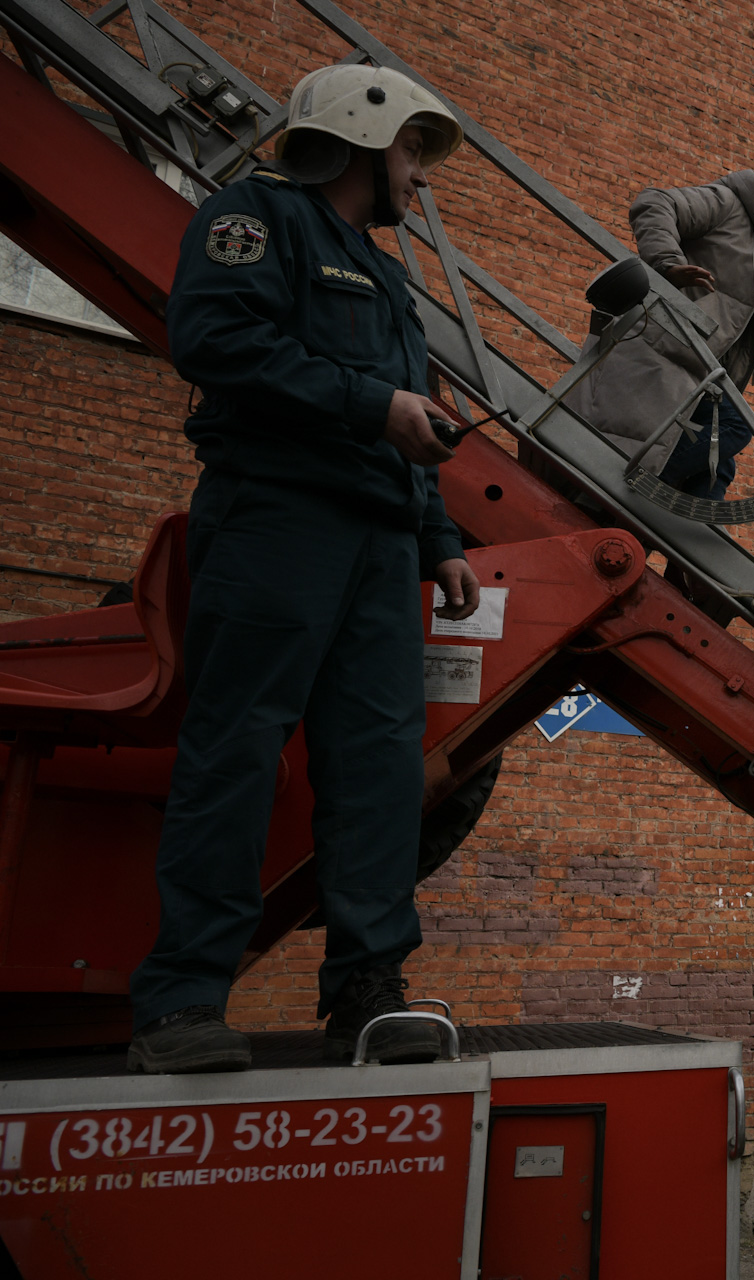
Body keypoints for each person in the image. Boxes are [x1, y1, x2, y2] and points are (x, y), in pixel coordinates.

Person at [127, 64, 480, 1074]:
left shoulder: (389, 277)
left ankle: (367, 992)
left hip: (377, 547)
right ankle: (182, 999)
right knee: (236, 751)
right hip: (275, 521)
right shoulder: (254, 218)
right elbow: (213, 337)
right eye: (413, 149)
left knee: (375, 773)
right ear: (362, 138)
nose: (420, 173)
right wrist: (373, 408)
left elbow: (409, 427)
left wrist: (440, 543)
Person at [567, 172, 754, 500]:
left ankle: (670, 537)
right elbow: (655, 203)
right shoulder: (732, 208)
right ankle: (637, 485)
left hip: (693, 380)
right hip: (657, 351)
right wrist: (667, 266)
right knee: (736, 425)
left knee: (719, 469)